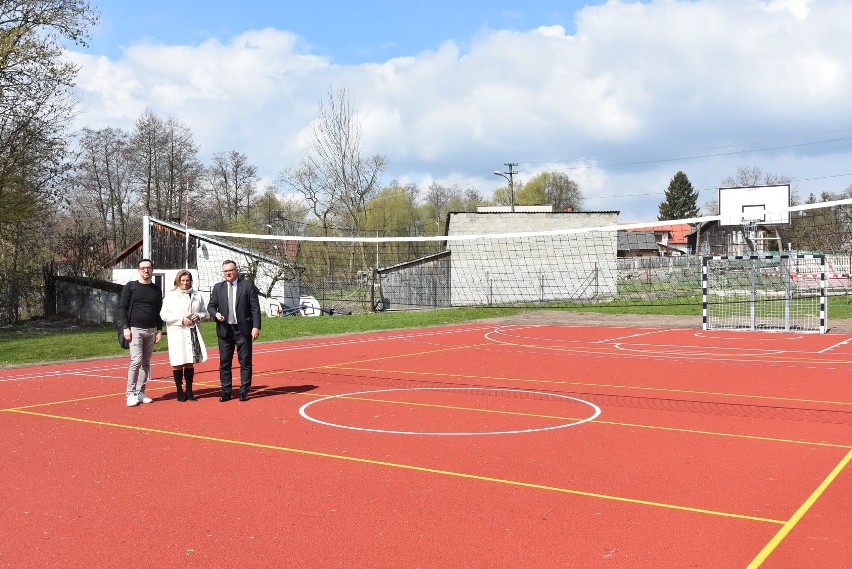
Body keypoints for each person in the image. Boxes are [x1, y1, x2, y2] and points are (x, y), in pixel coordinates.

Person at [207, 260, 261, 402]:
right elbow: (211, 306)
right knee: (225, 362)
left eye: (230, 270)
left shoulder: (247, 286)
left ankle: (244, 390)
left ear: (236, 270)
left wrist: (256, 326)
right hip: (225, 330)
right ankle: (226, 391)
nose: (228, 273)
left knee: (245, 361)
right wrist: (216, 314)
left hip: (243, 330)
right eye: (225, 271)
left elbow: (255, 308)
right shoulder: (218, 288)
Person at [118, 258, 163, 407]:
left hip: (151, 329)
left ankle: (140, 392)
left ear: (152, 269)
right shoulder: (131, 287)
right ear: (139, 270)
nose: (146, 270)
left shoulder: (156, 289)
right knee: (136, 360)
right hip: (135, 329)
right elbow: (122, 308)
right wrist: (125, 327)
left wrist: (159, 330)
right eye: (143, 268)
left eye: (148, 268)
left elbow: (158, 312)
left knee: (146, 362)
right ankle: (130, 394)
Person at [160, 270, 208, 402]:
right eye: (182, 281)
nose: (185, 283)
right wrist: (181, 319)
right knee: (177, 362)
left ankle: (189, 390)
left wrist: (200, 316)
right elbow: (164, 315)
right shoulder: (170, 296)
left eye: (187, 280)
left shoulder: (197, 295)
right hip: (177, 332)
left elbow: (205, 311)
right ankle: (179, 390)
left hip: (193, 331)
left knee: (189, 362)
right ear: (177, 281)